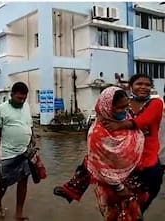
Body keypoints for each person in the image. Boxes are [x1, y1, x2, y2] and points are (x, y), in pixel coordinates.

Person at [53, 74, 164, 215]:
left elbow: (143, 121)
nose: (143, 87)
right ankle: (72, 189)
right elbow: (103, 109)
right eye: (139, 84)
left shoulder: (155, 103)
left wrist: (119, 125)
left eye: (147, 84)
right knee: (92, 161)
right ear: (131, 86)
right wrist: (102, 120)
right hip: (120, 157)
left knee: (135, 204)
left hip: (145, 159)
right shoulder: (124, 102)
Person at [87, 86, 146, 220]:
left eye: (126, 106)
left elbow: (138, 139)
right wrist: (119, 188)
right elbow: (101, 167)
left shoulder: (127, 120)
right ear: (107, 107)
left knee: (135, 216)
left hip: (132, 181)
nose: (124, 110)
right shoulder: (97, 133)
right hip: (110, 187)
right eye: (119, 108)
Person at [0, 82, 40, 220]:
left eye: (24, 98)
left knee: (23, 182)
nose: (22, 101)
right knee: (3, 183)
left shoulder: (26, 107)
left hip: (25, 152)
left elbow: (29, 124)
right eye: (19, 98)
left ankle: (19, 214)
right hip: (8, 153)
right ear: (11, 95)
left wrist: (32, 137)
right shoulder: (1, 109)